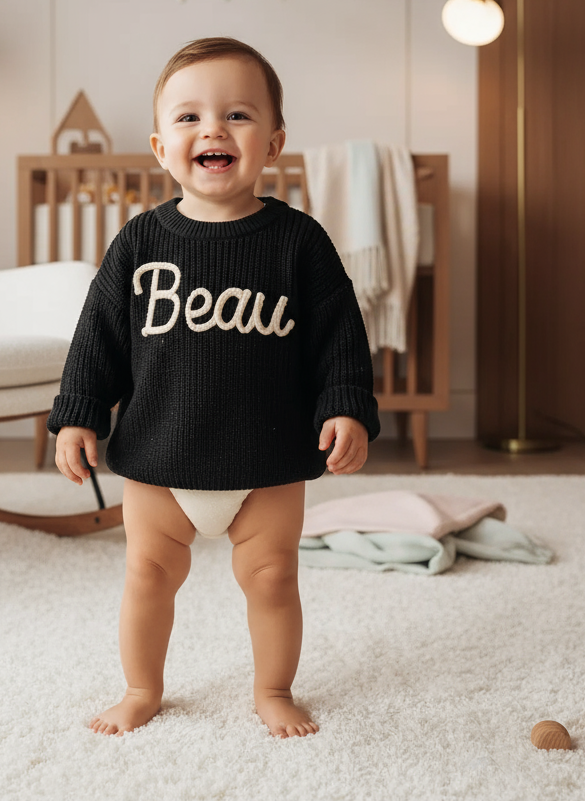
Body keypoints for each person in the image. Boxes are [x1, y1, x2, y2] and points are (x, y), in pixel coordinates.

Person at [48, 36, 379, 738]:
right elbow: (97, 336)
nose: (213, 130)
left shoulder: (299, 242)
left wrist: (347, 405)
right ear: (162, 147)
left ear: (274, 141)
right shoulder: (139, 242)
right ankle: (142, 688)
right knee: (147, 577)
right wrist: (78, 415)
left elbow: (340, 336)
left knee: (272, 579)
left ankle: (273, 690)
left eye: (237, 115)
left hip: (267, 460)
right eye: (190, 118)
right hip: (160, 458)